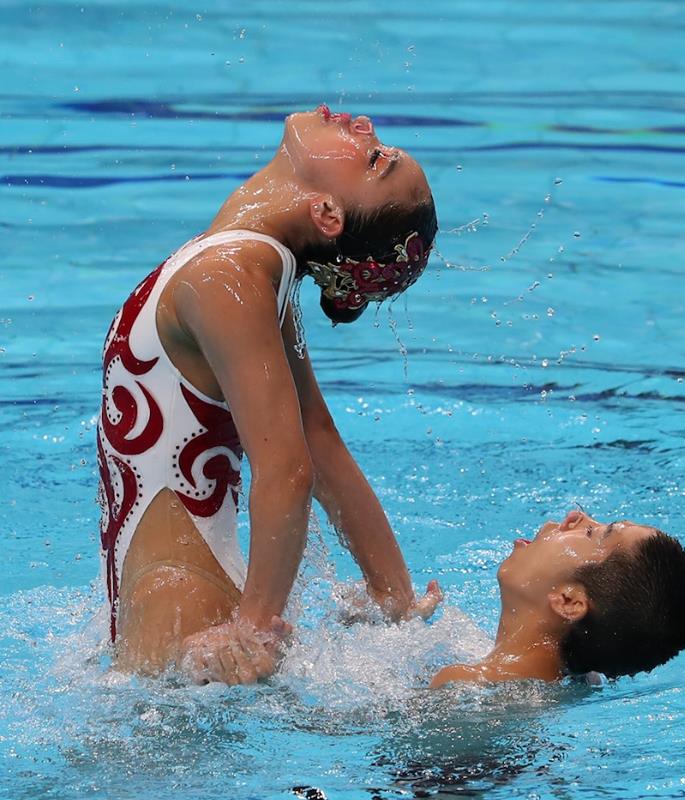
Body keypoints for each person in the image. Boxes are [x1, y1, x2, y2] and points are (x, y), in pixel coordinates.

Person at [97, 104, 442, 684]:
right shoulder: (253, 266)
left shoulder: (231, 271)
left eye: (376, 158)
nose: (363, 124)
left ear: (327, 213)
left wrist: (252, 630)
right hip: (186, 598)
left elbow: (289, 468)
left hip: (181, 606)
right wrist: (393, 599)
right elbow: (321, 441)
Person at [430, 510, 685, 687]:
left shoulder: (465, 683)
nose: (575, 517)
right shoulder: (584, 681)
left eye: (591, 533)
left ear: (568, 602)